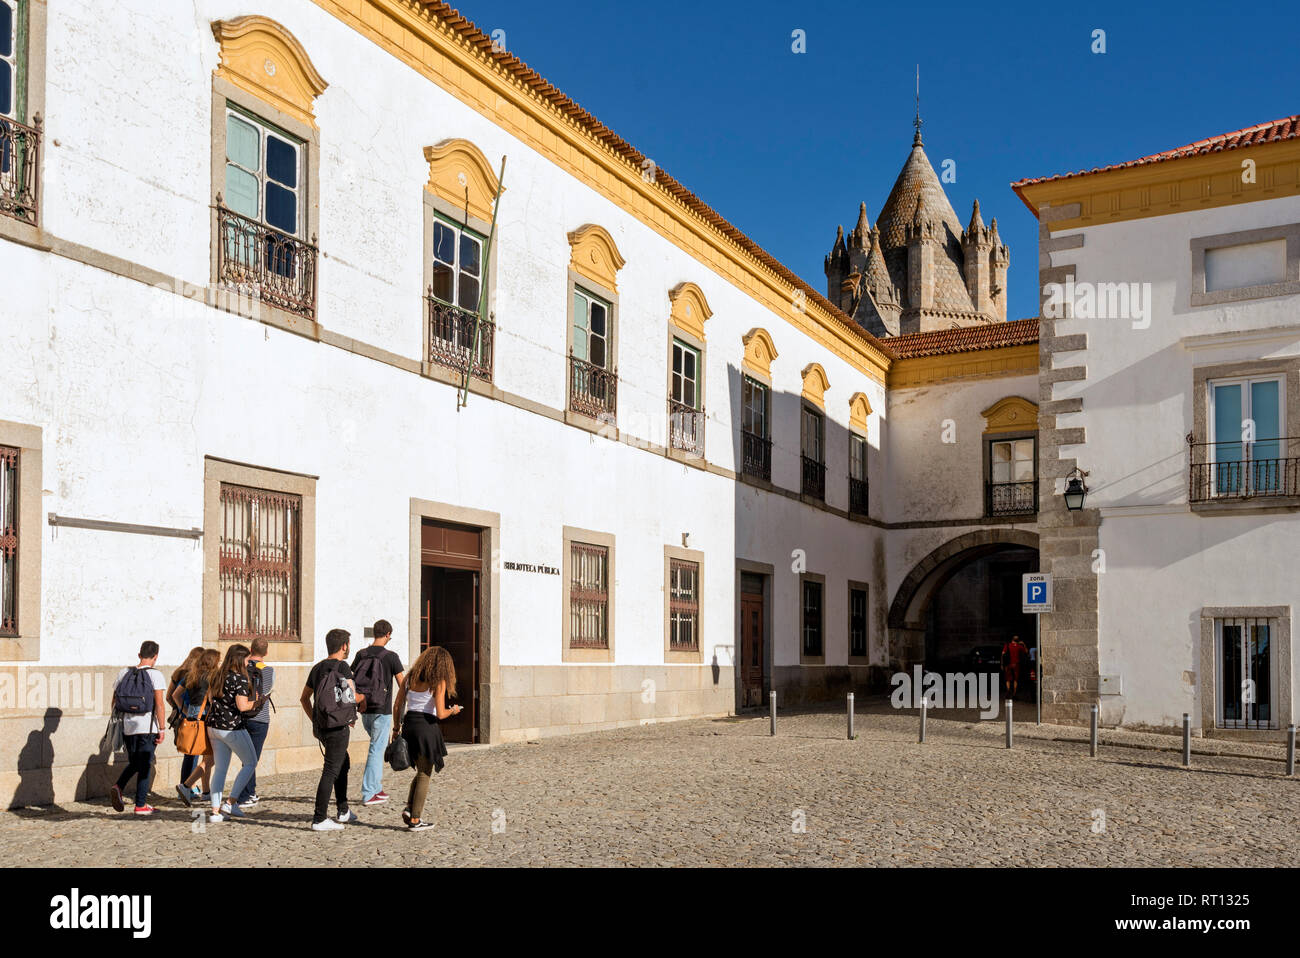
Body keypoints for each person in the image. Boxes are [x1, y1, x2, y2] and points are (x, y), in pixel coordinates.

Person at [301, 628, 366, 831]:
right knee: (330, 769)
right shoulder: (343, 667)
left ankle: (343, 809)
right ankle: (319, 818)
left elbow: (304, 698)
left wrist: (316, 721)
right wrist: (364, 698)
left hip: (323, 727)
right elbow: (351, 697)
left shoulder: (317, 669)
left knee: (342, 763)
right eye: (348, 644)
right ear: (344, 646)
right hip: (338, 727)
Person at [393, 646, 459, 831]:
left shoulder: (410, 677)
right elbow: (440, 713)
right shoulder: (438, 681)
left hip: (409, 725)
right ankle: (415, 819)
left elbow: (398, 704)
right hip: (426, 727)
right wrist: (453, 710)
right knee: (425, 773)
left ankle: (409, 808)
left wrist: (396, 728)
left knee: (421, 770)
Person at [350, 619, 406, 806]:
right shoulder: (391, 656)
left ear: (375, 633)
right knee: (376, 749)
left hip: (364, 708)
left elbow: (350, 680)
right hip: (382, 710)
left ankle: (376, 787)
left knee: (377, 747)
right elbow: (402, 684)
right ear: (388, 634)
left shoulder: (360, 654)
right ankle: (368, 793)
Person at [109, 641, 168, 815]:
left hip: (128, 727)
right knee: (145, 766)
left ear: (139, 654)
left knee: (136, 762)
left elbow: (114, 701)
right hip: (147, 726)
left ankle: (119, 787)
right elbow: (159, 704)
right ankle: (140, 804)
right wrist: (162, 728)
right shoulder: (156, 675)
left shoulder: (124, 672)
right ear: (155, 656)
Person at [203, 644, 259, 823]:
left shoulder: (217, 675)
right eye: (247, 658)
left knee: (220, 769)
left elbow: (211, 698)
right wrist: (256, 702)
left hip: (213, 726)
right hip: (232, 727)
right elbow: (243, 706)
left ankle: (215, 811)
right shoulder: (240, 679)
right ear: (239, 659)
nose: (248, 661)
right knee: (251, 762)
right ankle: (230, 802)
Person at [172, 648, 220, 805]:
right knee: (209, 758)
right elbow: (212, 699)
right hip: (205, 717)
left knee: (201, 756)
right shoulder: (212, 677)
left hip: (192, 715)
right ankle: (186, 786)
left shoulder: (190, 675)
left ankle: (206, 792)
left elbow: (175, 695)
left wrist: (184, 710)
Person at [234, 637, 275, 807]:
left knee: (247, 757)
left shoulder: (241, 666)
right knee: (252, 759)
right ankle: (244, 796)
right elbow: (267, 691)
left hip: (242, 716)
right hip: (260, 718)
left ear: (250, 650)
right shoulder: (268, 670)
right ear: (266, 652)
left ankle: (250, 792)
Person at [167, 646, 204, 788]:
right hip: (193, 716)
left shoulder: (178, 673)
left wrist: (178, 709)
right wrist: (187, 711)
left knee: (189, 754)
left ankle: (187, 785)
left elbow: (169, 696)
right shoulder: (193, 675)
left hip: (181, 717)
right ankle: (186, 786)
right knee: (192, 753)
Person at [1001, 634, 1029, 700]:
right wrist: (1024, 644)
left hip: (1008, 664)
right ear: (1018, 640)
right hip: (1016, 664)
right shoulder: (1019, 646)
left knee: (1008, 679)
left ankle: (1008, 691)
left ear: (1012, 639)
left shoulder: (1007, 645)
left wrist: (1002, 664)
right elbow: (1026, 652)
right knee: (1015, 680)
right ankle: (1014, 694)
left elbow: (1002, 654)